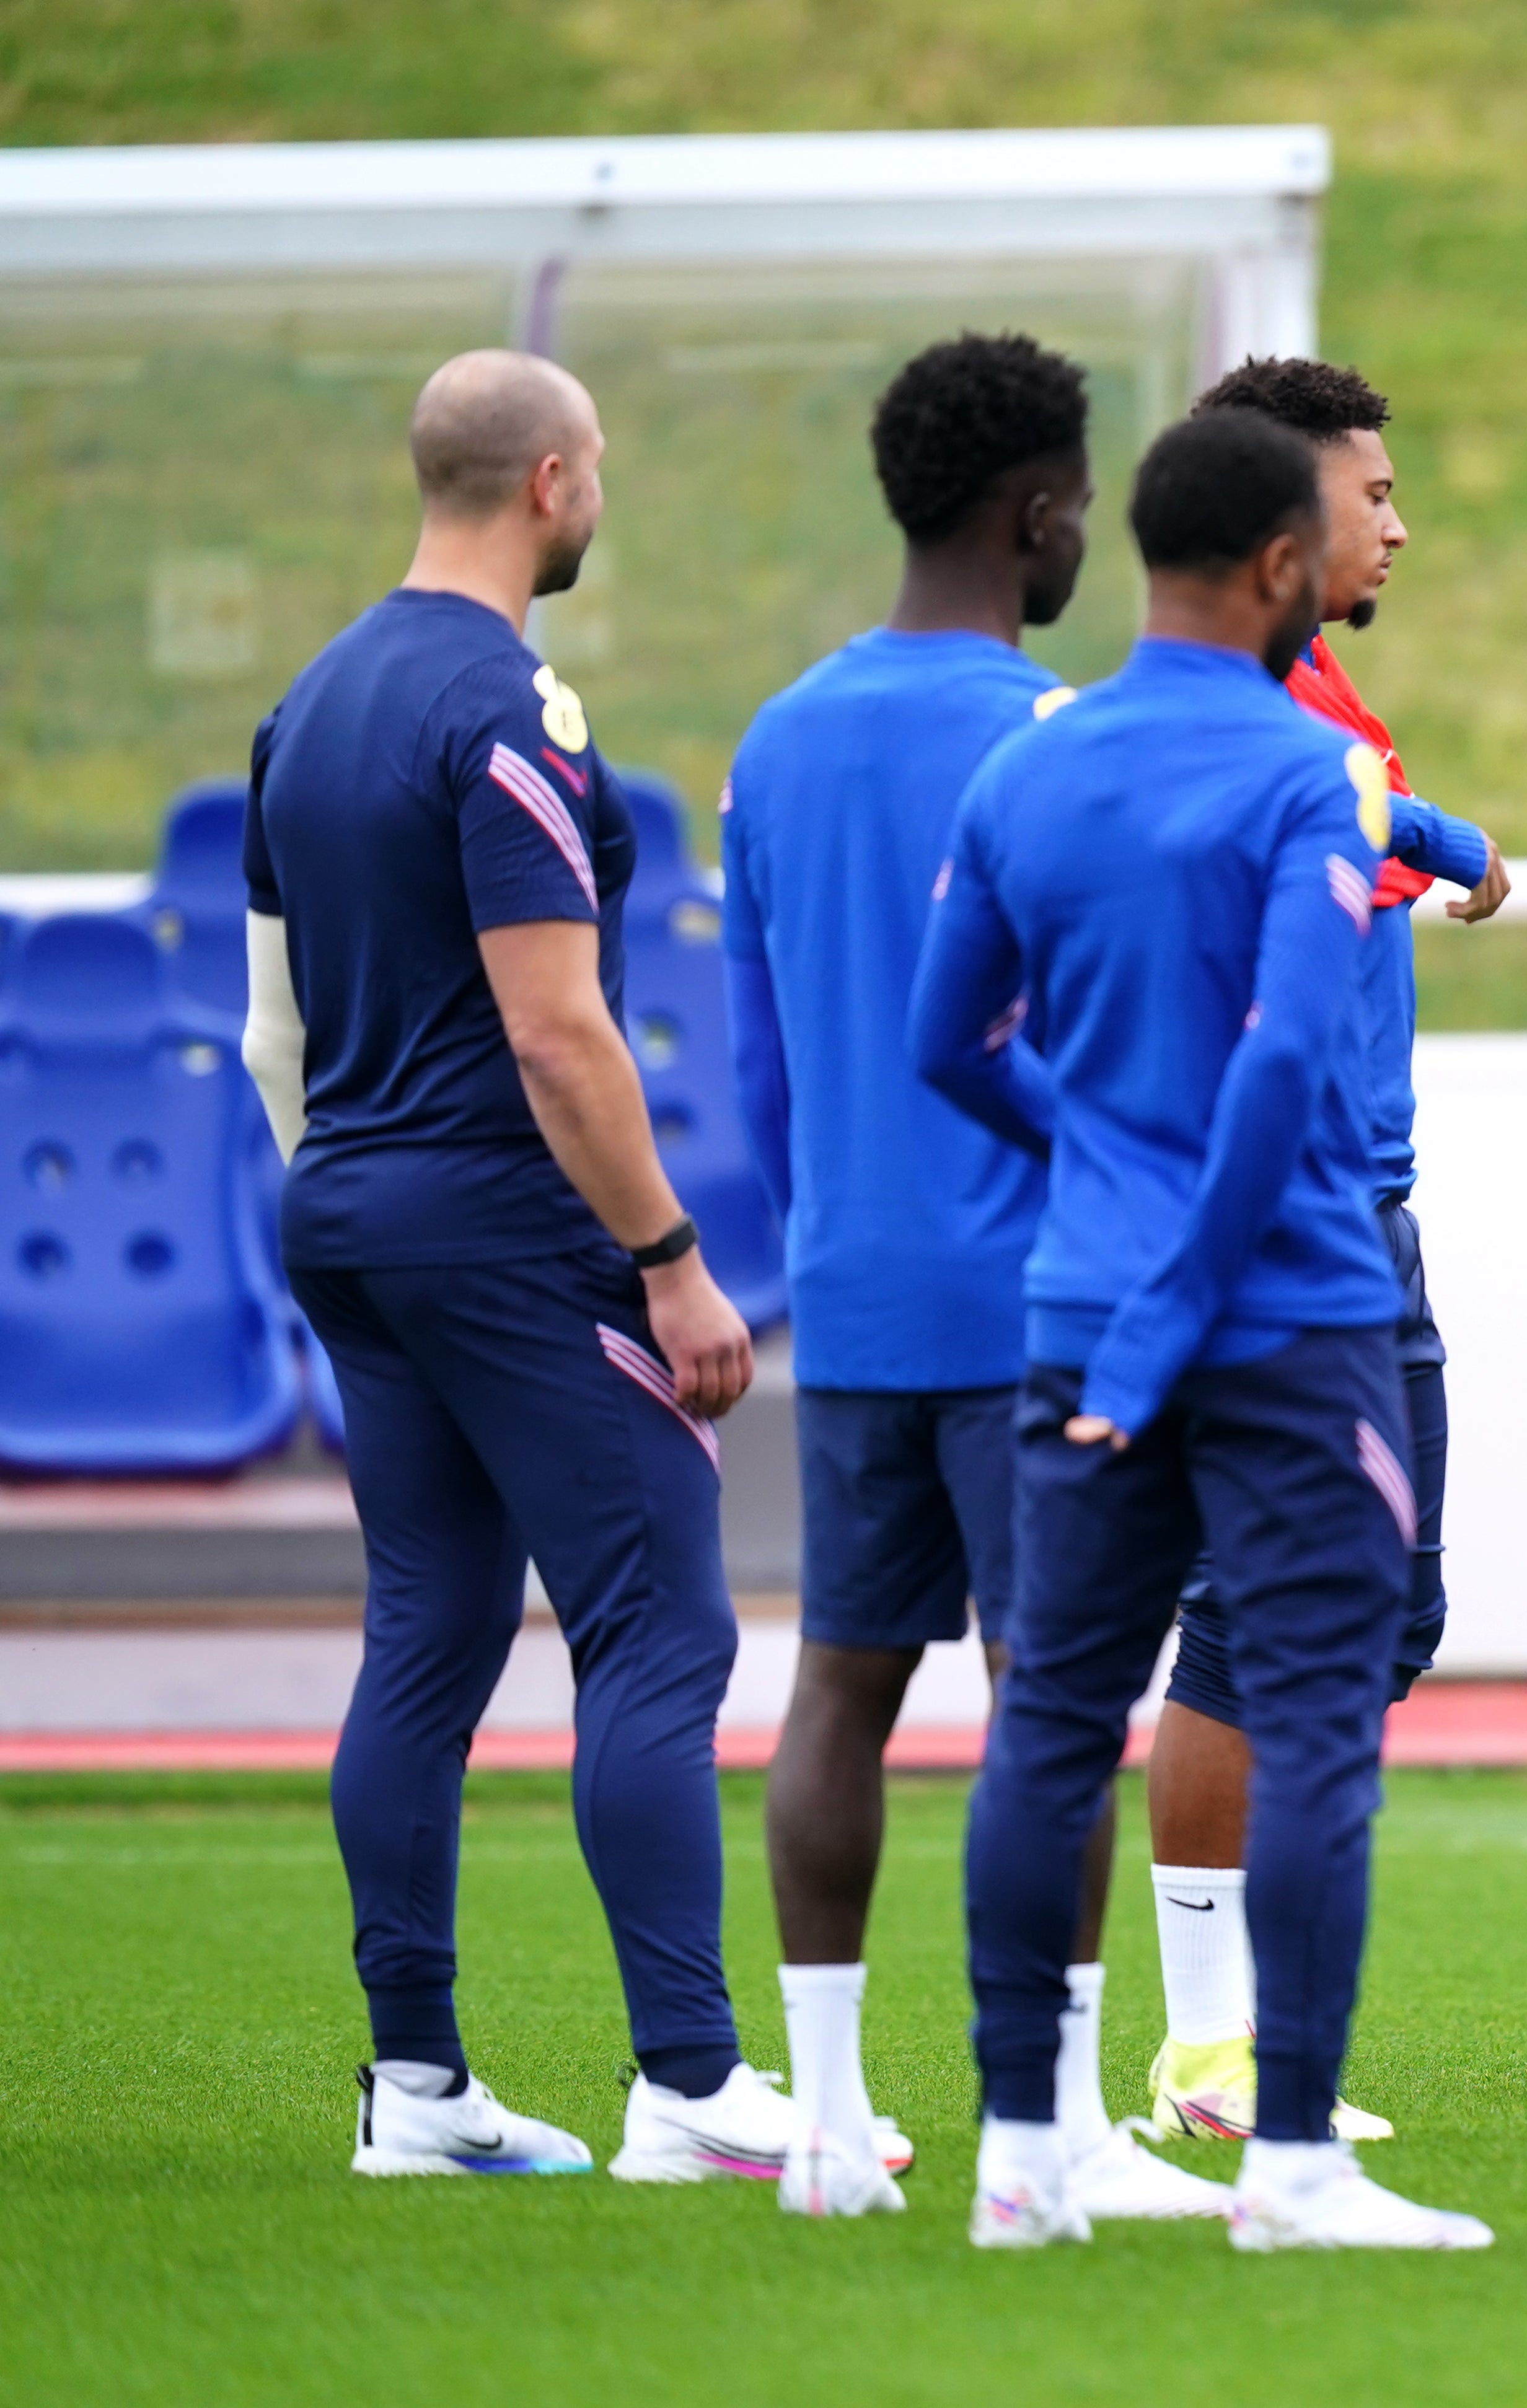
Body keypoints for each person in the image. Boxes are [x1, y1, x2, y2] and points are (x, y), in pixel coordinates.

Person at [911, 405, 1489, 2251]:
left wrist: (1101, 1175)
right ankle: (1292, 2161)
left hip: (1078, 1311)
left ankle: (1023, 2151)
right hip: (1285, 1315)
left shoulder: (1031, 760)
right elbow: (1278, 1073)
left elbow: (947, 1045)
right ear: (1271, 566)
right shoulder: (1311, 772)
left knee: (1053, 1727)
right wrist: (1181, 1288)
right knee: (1317, 1725)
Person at [240, 350, 780, 2181]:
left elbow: (270, 1035)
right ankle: (693, 2087)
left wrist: (360, 1201)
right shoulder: (512, 707)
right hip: (501, 1222)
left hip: (353, 1218)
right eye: (601, 469)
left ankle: (417, 2090)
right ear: (551, 480)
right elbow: (559, 1032)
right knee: (656, 1623)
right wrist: (672, 1256)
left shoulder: (304, 704)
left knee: (427, 1636)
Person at [721, 333, 1213, 2221]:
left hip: (851, 1295)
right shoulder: (1061, 738)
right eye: (1081, 503)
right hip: (1037, 1303)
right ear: (1038, 512)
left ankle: (831, 2130)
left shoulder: (778, 735)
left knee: (837, 1689)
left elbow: (762, 1064)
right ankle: (1056, 2121)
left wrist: (836, 1227)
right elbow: (1107, 1044)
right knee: (1056, 1704)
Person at [1139, 356, 1509, 2147]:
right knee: (1258, 1617)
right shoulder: (1245, 722)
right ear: (1285, 530)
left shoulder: (1313, 694)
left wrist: (1438, 842)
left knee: (1373, 1613)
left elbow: (1370, 831)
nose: (1400, 521)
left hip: (1361, 1207)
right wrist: (1440, 839)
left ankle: (1227, 2037)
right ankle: (1221, 2048)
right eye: (1374, 493)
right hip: (1304, 1225)